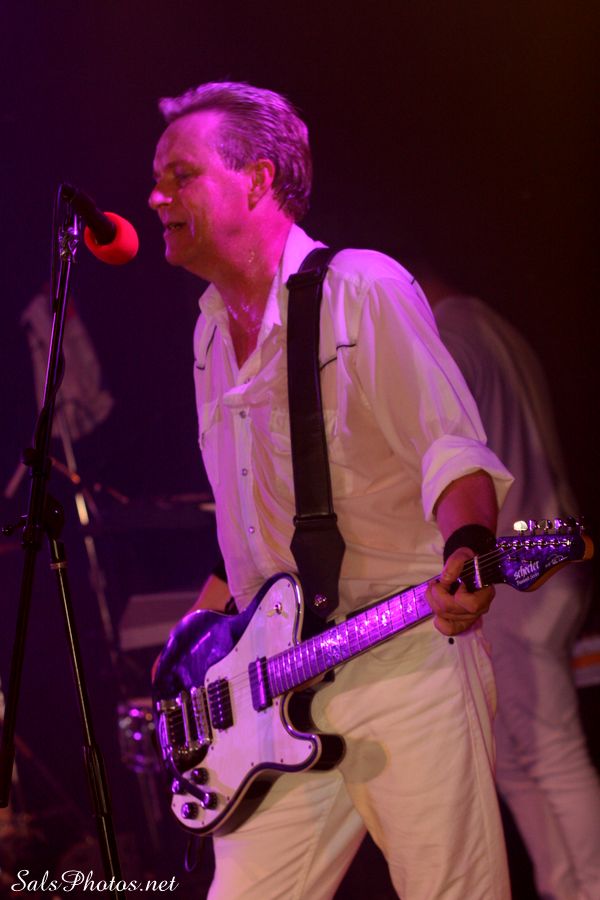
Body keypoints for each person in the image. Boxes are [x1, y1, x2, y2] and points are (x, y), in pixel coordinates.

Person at [148, 81, 514, 900]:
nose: (156, 197)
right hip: (273, 691)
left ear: (257, 179)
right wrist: (198, 647)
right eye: (157, 179)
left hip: (402, 659)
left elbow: (451, 449)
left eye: (180, 175)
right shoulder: (208, 331)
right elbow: (254, 524)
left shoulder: (363, 289)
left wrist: (470, 548)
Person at [419, 269, 600, 900]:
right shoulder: (491, 324)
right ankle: (564, 888)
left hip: (520, 574)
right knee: (517, 758)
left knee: (548, 752)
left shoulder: (446, 340)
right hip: (539, 570)